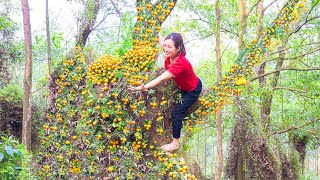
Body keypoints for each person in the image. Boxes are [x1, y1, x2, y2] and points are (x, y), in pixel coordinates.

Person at [128, 32, 202, 152]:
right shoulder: (169, 49)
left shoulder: (180, 63)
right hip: (181, 85)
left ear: (178, 48)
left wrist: (143, 87)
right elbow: (161, 40)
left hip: (192, 89)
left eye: (169, 47)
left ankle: (175, 143)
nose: (166, 49)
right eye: (165, 46)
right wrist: (155, 32)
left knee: (176, 113)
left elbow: (161, 78)